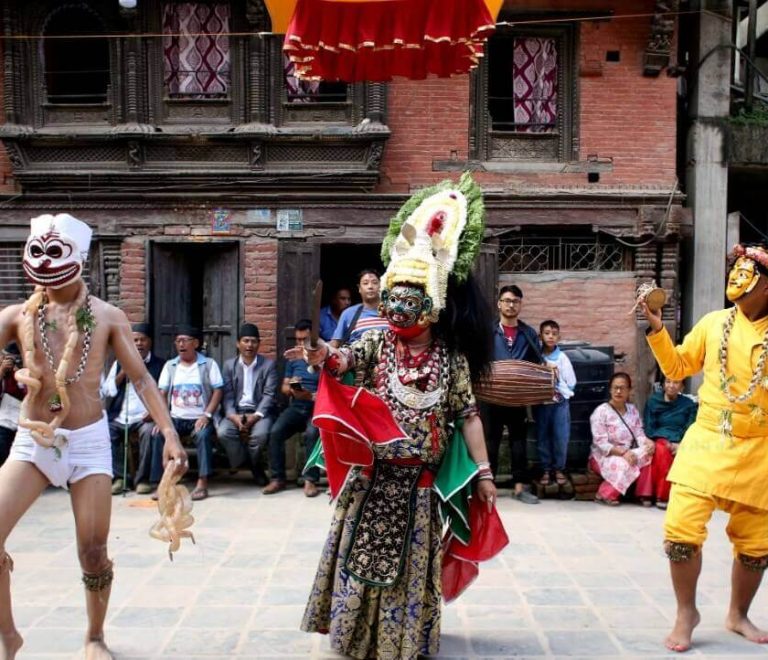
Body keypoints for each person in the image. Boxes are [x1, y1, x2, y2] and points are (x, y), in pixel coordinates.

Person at [298, 174, 505, 660]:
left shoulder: (451, 359)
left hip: (421, 484)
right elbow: (342, 360)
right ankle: (352, 636)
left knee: (413, 565)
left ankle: (404, 642)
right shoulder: (375, 341)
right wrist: (321, 352)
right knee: (359, 556)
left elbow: (469, 416)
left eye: (410, 299)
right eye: (394, 296)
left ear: (431, 307)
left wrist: (485, 473)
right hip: (373, 478)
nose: (398, 306)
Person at [0, 213, 186, 660]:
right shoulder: (15, 316)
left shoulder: (106, 316)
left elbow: (141, 379)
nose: (45, 263)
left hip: (87, 443)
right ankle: (8, 636)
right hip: (33, 440)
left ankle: (95, 636)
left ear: (79, 259)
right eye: (37, 252)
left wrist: (169, 433)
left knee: (94, 551)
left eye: (55, 252)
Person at [641, 243, 768, 652]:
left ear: (765, 285)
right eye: (738, 267)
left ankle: (737, 613)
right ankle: (686, 613)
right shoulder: (715, 323)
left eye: (749, 270)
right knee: (680, 532)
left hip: (760, 451)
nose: (738, 276)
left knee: (755, 547)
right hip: (708, 440)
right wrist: (658, 330)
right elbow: (678, 367)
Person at [485, 284, 542, 503]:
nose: (511, 305)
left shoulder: (528, 333)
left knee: (519, 442)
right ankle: (488, 488)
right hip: (492, 396)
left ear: (520, 304)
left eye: (515, 301)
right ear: (499, 304)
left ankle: (520, 487)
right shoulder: (489, 331)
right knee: (491, 441)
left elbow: (536, 362)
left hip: (518, 397)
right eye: (507, 300)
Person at [154, 325, 223, 501]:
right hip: (175, 418)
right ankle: (164, 483)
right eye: (178, 341)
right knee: (158, 435)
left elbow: (218, 391)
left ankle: (202, 482)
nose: (181, 345)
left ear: (196, 343)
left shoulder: (208, 364)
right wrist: (163, 420)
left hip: (199, 418)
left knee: (203, 435)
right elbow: (161, 393)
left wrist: (207, 415)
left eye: (185, 341)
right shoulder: (170, 366)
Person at [102, 323, 165, 495]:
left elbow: (164, 392)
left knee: (149, 432)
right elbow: (108, 390)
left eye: (142, 340)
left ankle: (142, 479)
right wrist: (123, 373)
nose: (139, 344)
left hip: (145, 417)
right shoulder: (119, 363)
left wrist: (153, 413)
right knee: (106, 430)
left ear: (149, 342)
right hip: (121, 415)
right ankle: (120, 477)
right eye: (135, 340)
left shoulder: (160, 365)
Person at [263, 319, 321, 497]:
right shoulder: (293, 360)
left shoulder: (323, 358)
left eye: (304, 339)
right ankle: (277, 479)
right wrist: (294, 390)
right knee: (275, 432)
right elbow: (284, 387)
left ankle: (310, 481)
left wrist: (312, 395)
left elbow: (331, 389)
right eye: (297, 340)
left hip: (317, 408)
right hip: (297, 405)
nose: (300, 344)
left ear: (313, 337)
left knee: (312, 433)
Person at [216, 323, 277, 486]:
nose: (249, 345)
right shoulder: (229, 365)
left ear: (259, 344)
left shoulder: (268, 365)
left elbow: (269, 395)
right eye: (246, 341)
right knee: (223, 432)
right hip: (236, 412)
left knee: (260, 435)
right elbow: (227, 395)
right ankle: (249, 464)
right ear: (238, 343)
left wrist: (256, 416)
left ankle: (254, 467)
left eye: (253, 341)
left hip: (259, 412)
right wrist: (233, 416)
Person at [589, 372, 655, 506]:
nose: (618, 391)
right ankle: (604, 494)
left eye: (622, 388)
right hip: (603, 456)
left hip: (628, 452)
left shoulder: (632, 410)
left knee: (649, 454)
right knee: (625, 463)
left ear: (629, 390)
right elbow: (600, 443)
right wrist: (623, 453)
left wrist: (648, 443)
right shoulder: (601, 412)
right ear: (610, 389)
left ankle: (643, 493)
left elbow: (639, 434)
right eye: (615, 388)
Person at [642, 376, 698, 509]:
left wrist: (680, 443)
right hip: (660, 437)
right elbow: (650, 425)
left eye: (676, 382)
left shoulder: (688, 404)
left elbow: (690, 426)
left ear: (682, 387)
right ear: (663, 384)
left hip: (680, 440)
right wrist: (654, 439)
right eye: (668, 382)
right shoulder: (653, 401)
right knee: (663, 450)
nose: (671, 386)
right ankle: (662, 495)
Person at [534, 320, 576, 487]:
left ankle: (559, 469)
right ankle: (545, 469)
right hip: (541, 404)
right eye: (547, 333)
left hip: (559, 404)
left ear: (559, 336)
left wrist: (557, 381)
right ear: (540, 336)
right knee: (542, 437)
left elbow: (572, 382)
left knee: (560, 437)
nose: (550, 336)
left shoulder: (562, 358)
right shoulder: (537, 357)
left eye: (554, 333)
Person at [330, 269, 388, 347]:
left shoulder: (392, 312)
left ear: (381, 286)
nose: (370, 286)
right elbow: (335, 344)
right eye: (365, 283)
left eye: (374, 283)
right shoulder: (348, 314)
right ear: (359, 288)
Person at [0, 343, 25, 467]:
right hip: (5, 421)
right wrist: (2, 371)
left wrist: (22, 373)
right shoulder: (4, 373)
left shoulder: (30, 369)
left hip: (26, 421)